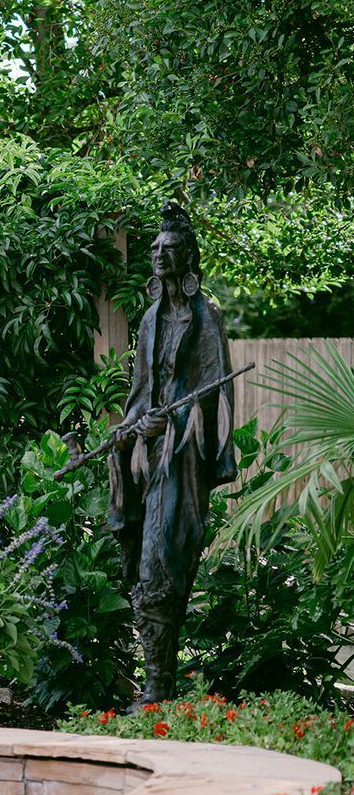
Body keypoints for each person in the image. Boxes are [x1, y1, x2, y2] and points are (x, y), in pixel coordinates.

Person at [107, 203, 238, 703]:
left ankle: (159, 685)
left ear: (188, 257)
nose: (159, 255)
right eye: (155, 248)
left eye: (169, 248)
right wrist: (130, 429)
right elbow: (142, 390)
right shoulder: (148, 319)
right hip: (145, 452)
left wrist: (175, 420)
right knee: (141, 555)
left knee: (164, 557)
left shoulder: (208, 317)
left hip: (182, 456)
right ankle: (156, 683)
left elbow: (215, 391)